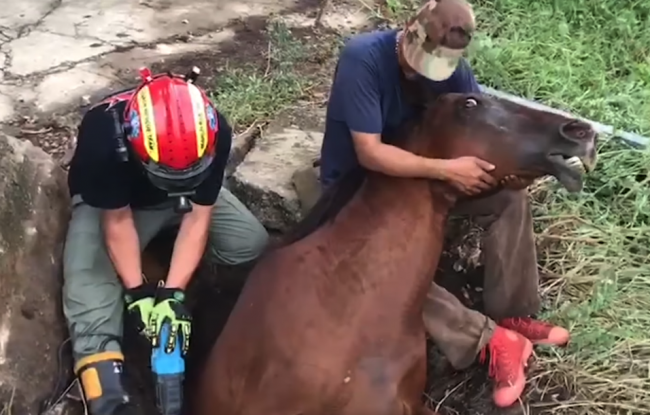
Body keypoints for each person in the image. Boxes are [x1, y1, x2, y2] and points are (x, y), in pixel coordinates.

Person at [316, 0, 570, 408]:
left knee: (508, 199)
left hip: (425, 182)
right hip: (359, 189)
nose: (421, 73)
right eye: (419, 61)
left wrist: (507, 171)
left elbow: (483, 128)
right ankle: (489, 341)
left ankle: (515, 314)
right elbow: (370, 152)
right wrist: (448, 171)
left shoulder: (455, 74)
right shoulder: (363, 57)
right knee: (384, 267)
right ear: (410, 28)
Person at [63, 67, 269, 415]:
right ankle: (109, 396)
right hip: (117, 205)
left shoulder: (213, 129)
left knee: (250, 244)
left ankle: (197, 285)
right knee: (88, 286)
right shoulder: (103, 137)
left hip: (183, 200)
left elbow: (198, 216)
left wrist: (173, 296)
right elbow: (117, 221)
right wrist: (137, 295)